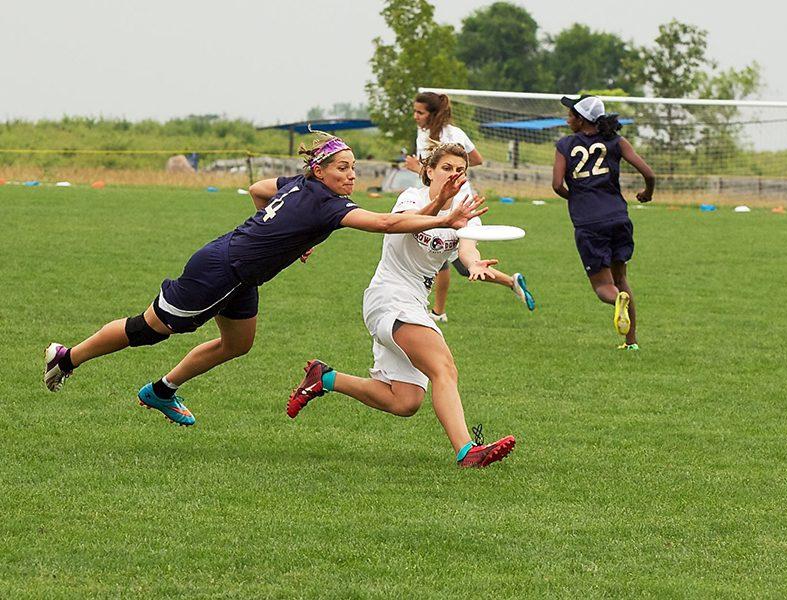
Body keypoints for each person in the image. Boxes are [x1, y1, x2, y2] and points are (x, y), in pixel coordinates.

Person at [42, 134, 486, 426]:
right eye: (342, 169)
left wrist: (281, 235)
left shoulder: (299, 185)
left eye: (353, 167)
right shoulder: (329, 206)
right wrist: (447, 214)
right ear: (320, 172)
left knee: (237, 345)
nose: (351, 175)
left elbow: (258, 189)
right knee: (147, 330)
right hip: (218, 271)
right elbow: (389, 224)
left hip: (243, 276)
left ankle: (161, 391)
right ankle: (67, 357)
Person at [287, 142, 515, 468]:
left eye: (460, 170)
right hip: (389, 296)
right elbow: (404, 222)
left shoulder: (465, 211)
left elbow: (468, 249)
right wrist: (442, 212)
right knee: (443, 367)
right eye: (447, 168)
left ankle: (324, 378)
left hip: (414, 303)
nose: (454, 175)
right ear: (430, 171)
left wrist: (475, 264)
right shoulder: (412, 198)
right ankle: (468, 451)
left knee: (405, 401)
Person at [405, 91, 535, 322]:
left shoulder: (452, 134)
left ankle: (438, 311)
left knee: (446, 257)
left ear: (433, 114)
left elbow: (472, 160)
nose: (415, 116)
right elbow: (473, 161)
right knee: (459, 264)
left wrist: (419, 168)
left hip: (461, 207)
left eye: (420, 112)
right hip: (441, 203)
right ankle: (509, 281)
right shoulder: (427, 134)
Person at [551, 95, 655, 350]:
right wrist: (647, 194)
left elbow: (556, 185)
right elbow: (649, 173)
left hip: (589, 222)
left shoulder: (565, 145)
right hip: (618, 217)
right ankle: (631, 342)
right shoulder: (616, 141)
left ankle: (617, 301)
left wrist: (575, 197)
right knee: (622, 279)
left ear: (581, 119)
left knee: (603, 286)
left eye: (571, 115)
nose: (567, 119)